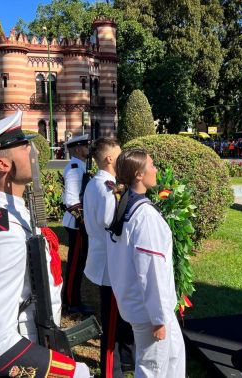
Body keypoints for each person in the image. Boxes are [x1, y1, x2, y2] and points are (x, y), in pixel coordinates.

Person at [0, 111, 90, 377]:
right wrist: (73, 372)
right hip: (26, 345)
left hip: (38, 335)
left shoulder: (13, 211)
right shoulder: (3, 234)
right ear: (3, 165)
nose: (34, 151)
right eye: (24, 145)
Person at [107, 149, 185, 378]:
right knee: (155, 370)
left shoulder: (125, 204)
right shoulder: (144, 216)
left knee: (171, 360)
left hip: (141, 307)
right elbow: (151, 271)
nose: (156, 169)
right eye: (151, 165)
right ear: (138, 175)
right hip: (150, 313)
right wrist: (159, 319)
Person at [82, 137, 134, 377]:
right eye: (119, 153)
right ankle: (110, 370)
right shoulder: (108, 187)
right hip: (109, 262)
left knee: (118, 317)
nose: (122, 157)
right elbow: (108, 222)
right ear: (110, 158)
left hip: (101, 256)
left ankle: (124, 361)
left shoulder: (97, 182)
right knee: (112, 321)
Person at [62, 134, 94, 315]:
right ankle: (72, 302)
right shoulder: (75, 168)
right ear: (76, 149)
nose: (87, 149)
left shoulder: (81, 166)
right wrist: (83, 221)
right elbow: (71, 201)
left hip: (79, 223)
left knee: (78, 263)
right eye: (84, 146)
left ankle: (71, 298)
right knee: (75, 264)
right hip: (77, 224)